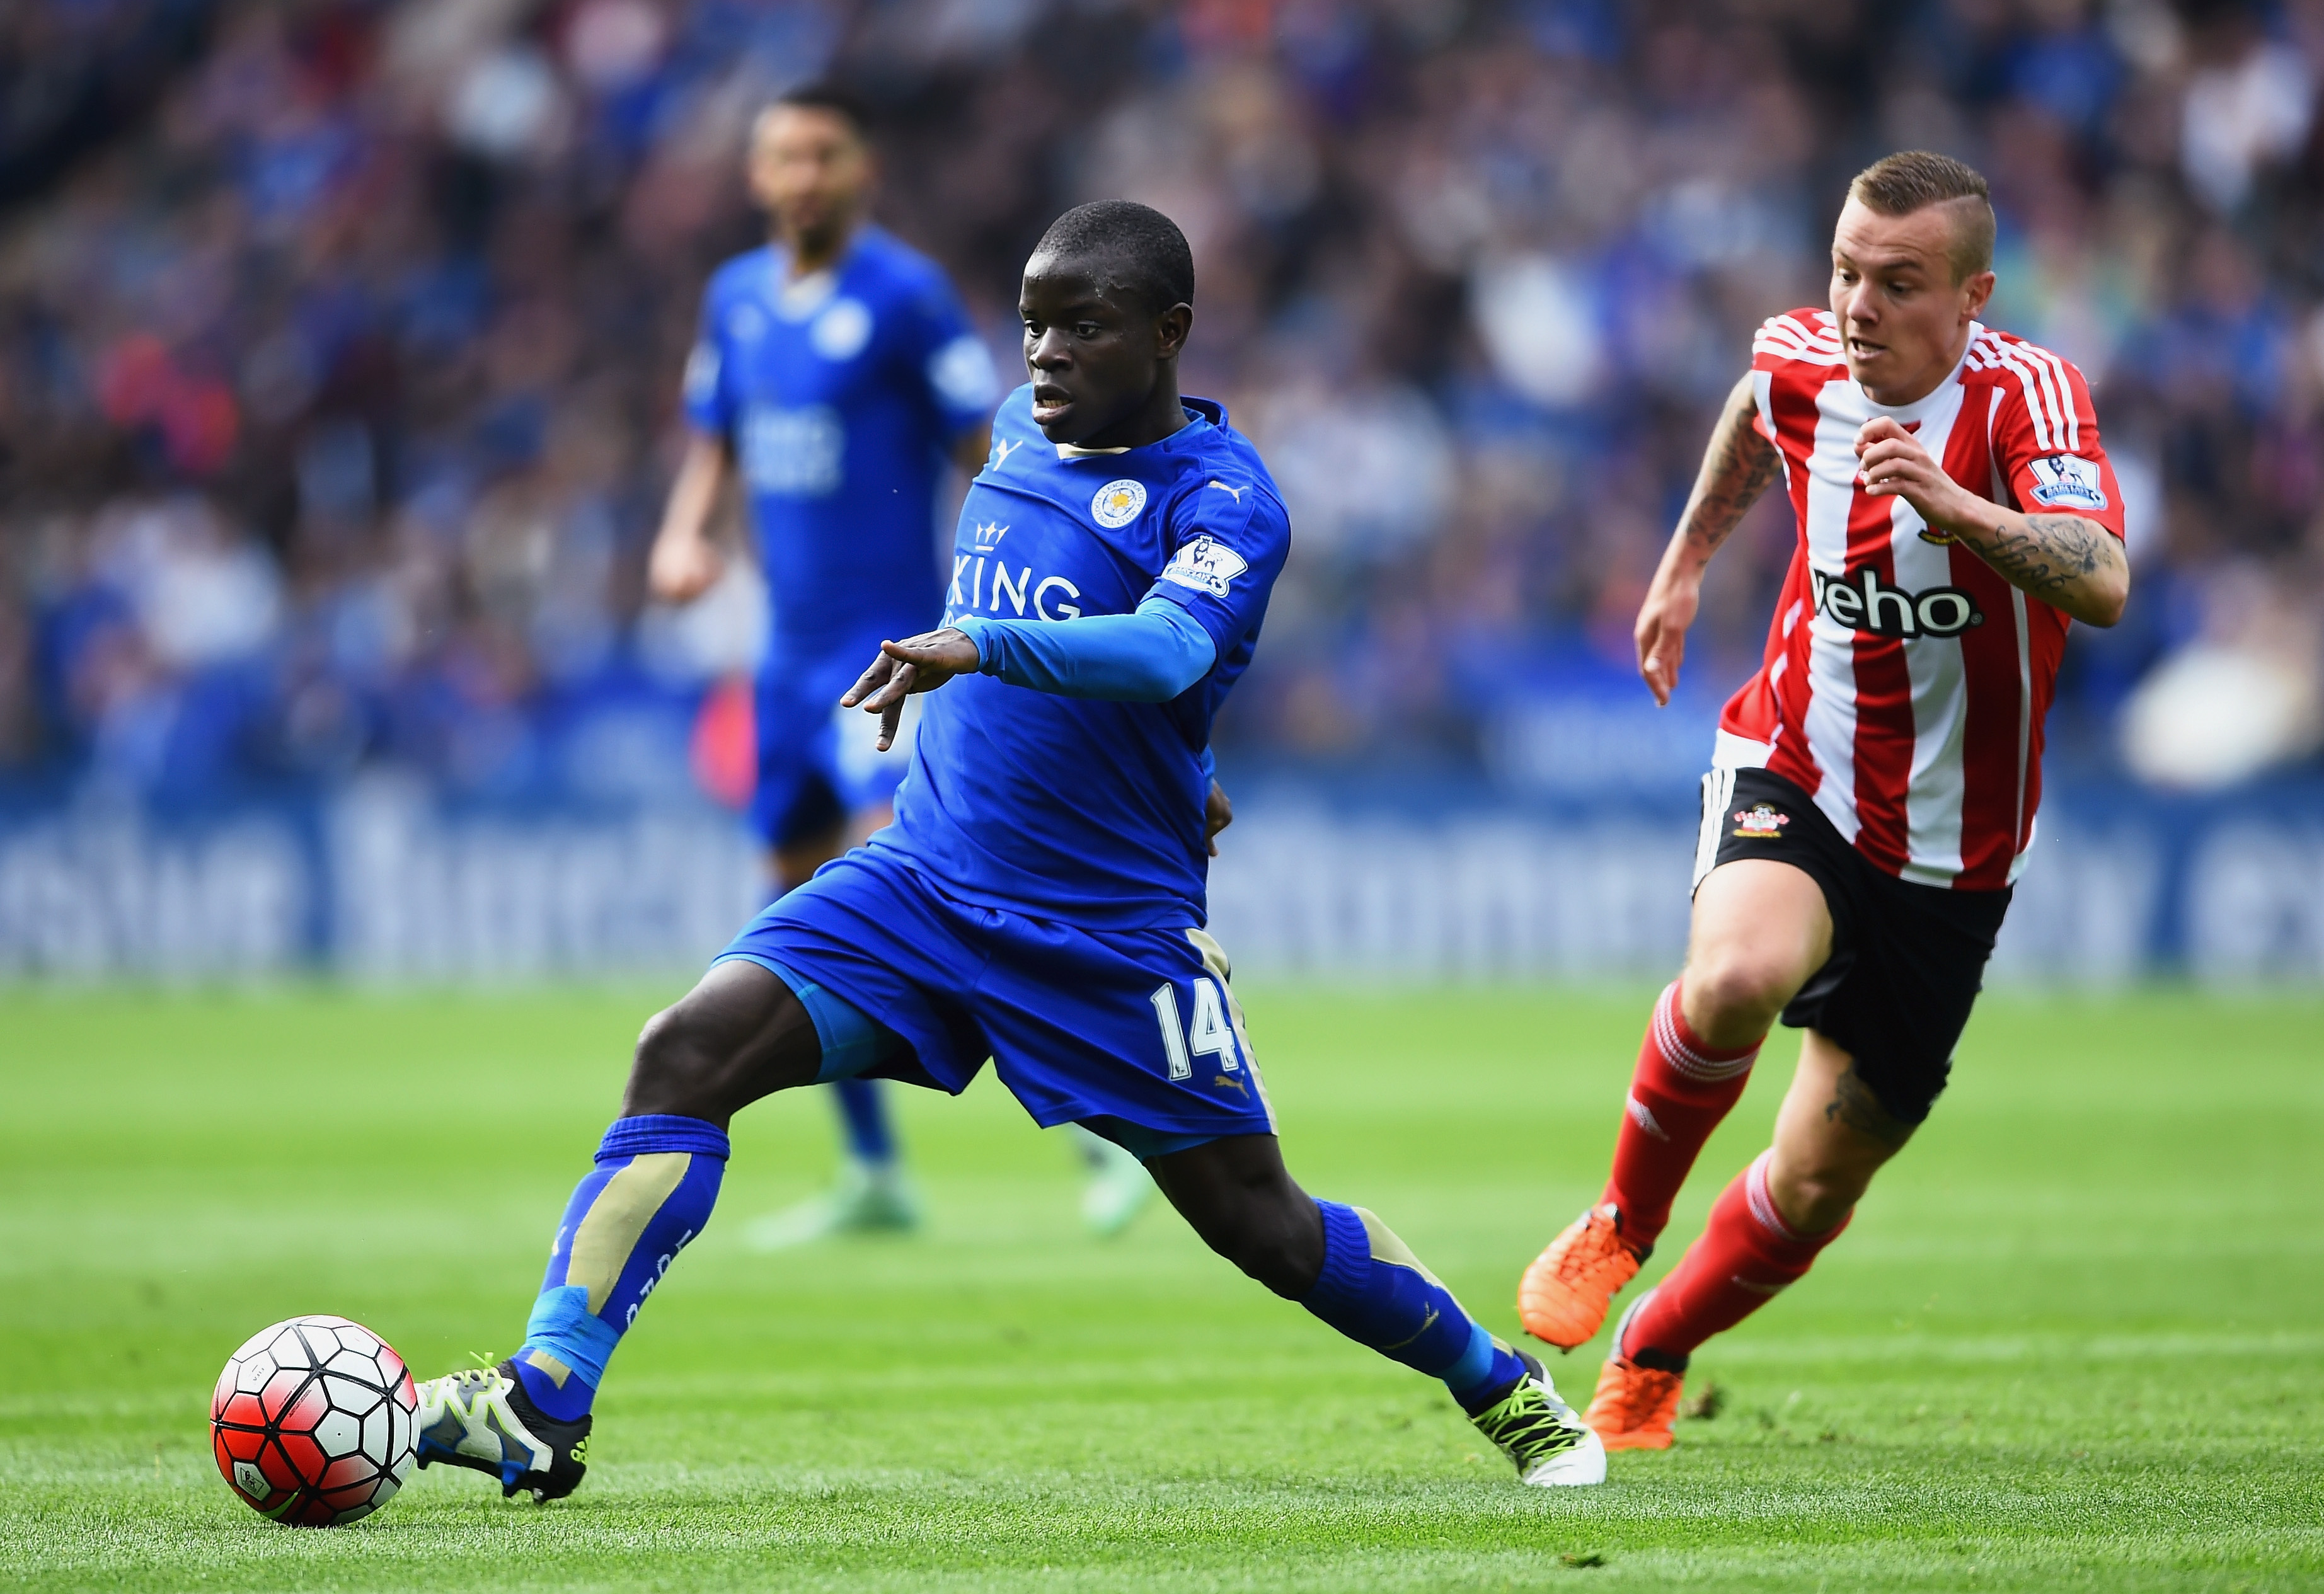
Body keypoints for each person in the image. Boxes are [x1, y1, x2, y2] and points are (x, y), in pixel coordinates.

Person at [411, 200, 1605, 1501]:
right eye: (1032, 322)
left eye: (1079, 326)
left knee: (1261, 1225)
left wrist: (980, 647)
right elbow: (1067, 625)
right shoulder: (1018, 438)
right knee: (683, 1049)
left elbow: (1162, 648)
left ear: (1167, 334)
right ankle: (542, 1398)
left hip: (1100, 934)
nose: (1041, 353)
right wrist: (1173, 756)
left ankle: (1501, 1384)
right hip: (921, 883)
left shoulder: (1226, 498)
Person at [1514, 151, 2129, 1451]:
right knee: (1735, 972)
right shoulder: (1804, 357)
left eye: (1896, 283)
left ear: (1971, 297)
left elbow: (2100, 574)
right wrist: (1681, 565)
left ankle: (1654, 1348)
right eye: (1843, 269)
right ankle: (1620, 1220)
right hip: (1798, 763)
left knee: (1811, 1175)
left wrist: (1958, 506)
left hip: (1955, 854)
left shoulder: (2027, 398)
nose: (1857, 304)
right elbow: (1754, 404)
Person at [650, 84, 1154, 1242]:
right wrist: (685, 533)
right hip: (782, 655)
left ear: (864, 169)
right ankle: (875, 1171)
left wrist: (1009, 598)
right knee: (795, 892)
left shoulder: (905, 297)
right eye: (784, 156)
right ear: (756, 176)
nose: (804, 175)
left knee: (922, 886)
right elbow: (716, 439)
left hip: (885, 650)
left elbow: (990, 452)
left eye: (825, 154)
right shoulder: (735, 299)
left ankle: (1096, 1128)